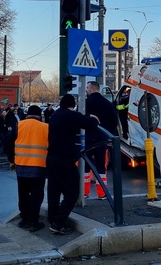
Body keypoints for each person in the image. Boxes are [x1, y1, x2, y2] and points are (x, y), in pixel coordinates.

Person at [47, 94, 99, 234]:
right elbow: (90, 124)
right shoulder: (72, 115)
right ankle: (58, 223)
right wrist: (93, 118)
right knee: (72, 192)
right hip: (65, 159)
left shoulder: (55, 115)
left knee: (54, 191)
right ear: (73, 105)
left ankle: (52, 219)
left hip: (51, 157)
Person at [13, 105, 49, 232]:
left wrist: (13, 159)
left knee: (23, 194)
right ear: (40, 115)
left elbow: (9, 143)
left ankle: (24, 219)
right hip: (39, 167)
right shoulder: (46, 127)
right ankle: (34, 221)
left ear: (28, 114)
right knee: (36, 194)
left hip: (21, 165)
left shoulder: (19, 124)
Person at [84, 81, 118, 199]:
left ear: (93, 88)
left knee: (85, 166)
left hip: (87, 138)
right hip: (102, 138)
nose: (86, 90)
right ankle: (102, 193)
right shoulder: (108, 104)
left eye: (87, 87)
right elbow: (115, 121)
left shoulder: (85, 103)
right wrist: (109, 135)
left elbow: (79, 119)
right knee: (101, 167)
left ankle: (84, 192)